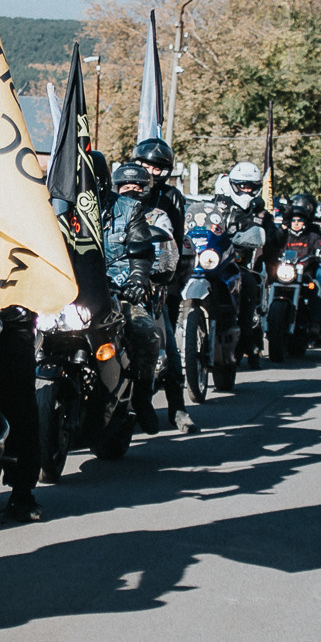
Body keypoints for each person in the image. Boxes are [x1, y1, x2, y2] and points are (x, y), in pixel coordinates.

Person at [103, 160, 176, 430]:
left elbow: (143, 250)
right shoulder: (75, 210)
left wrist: (137, 279)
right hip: (81, 290)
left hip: (122, 288)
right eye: (125, 186)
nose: (130, 190)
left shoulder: (132, 211)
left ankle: (143, 397)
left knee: (146, 333)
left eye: (136, 186)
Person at [132, 137, 195, 433]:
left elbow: (175, 244)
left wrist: (166, 280)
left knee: (167, 342)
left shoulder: (170, 199)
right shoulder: (115, 194)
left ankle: (177, 407)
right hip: (117, 279)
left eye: (157, 167)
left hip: (157, 281)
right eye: (145, 164)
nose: (150, 171)